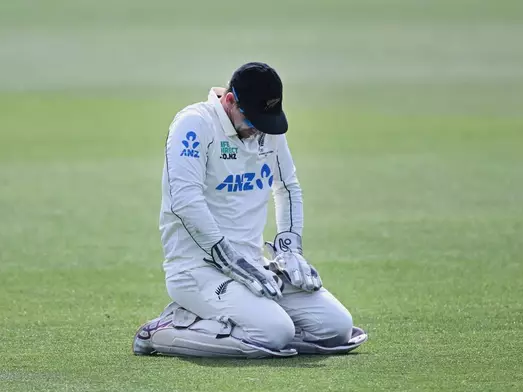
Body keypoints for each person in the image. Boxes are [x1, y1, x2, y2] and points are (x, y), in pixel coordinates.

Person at [132, 62, 367, 358]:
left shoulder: (265, 127)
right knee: (274, 332)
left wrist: (289, 249)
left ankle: (253, 325)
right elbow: (184, 199)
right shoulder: (193, 124)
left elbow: (288, 186)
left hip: (253, 267)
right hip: (197, 270)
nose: (259, 130)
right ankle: (165, 329)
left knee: (336, 327)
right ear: (230, 101)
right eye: (253, 120)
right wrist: (226, 256)